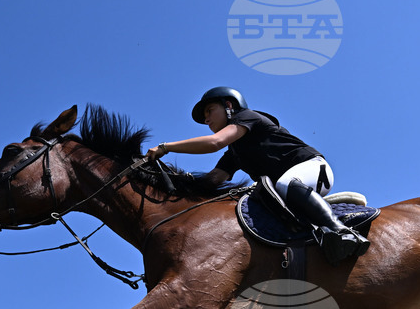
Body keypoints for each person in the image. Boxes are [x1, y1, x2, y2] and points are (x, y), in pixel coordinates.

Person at [146, 86, 370, 265]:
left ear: (229, 105)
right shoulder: (234, 152)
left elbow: (214, 142)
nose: (206, 119)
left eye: (209, 111)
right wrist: (174, 179)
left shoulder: (248, 117)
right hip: (288, 187)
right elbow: (213, 180)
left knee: (285, 183)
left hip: (312, 168)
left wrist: (166, 147)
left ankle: (341, 232)